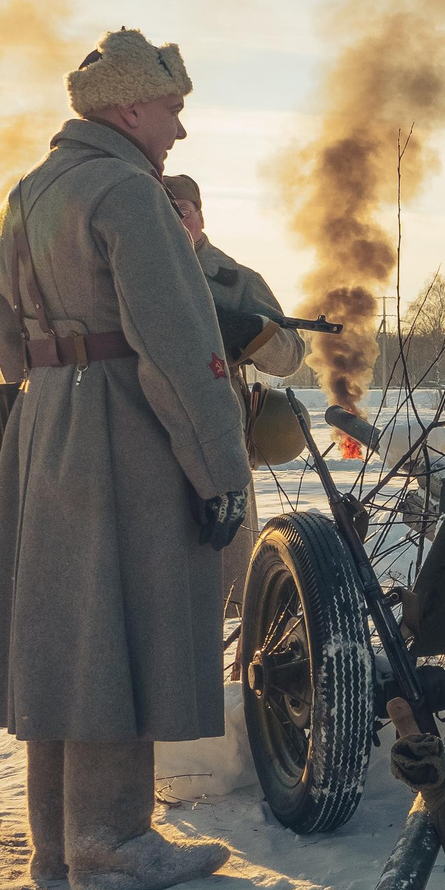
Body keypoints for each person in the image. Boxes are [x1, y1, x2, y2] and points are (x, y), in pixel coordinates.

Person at [0, 28, 253, 890]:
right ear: (130, 106)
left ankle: (61, 843)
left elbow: (7, 331)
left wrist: (54, 398)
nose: (180, 130)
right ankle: (115, 842)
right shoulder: (130, 194)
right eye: (172, 109)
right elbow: (178, 345)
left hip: (47, 422)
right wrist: (220, 472)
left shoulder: (25, 191)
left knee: (66, 630)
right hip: (124, 427)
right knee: (118, 627)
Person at [162, 171, 304, 616]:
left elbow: (291, 355)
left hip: (219, 435)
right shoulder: (130, 271)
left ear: (200, 215)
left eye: (180, 211)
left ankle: (236, 672)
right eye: (161, 212)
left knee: (227, 580)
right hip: (149, 432)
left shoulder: (235, 280)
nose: (173, 220)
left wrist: (251, 332)